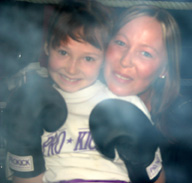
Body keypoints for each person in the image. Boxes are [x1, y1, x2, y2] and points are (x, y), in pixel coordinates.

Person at [7, 1, 163, 183]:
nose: (72, 69)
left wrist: (142, 161)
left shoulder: (125, 104)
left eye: (88, 58)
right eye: (63, 53)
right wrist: (22, 139)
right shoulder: (33, 104)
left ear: (104, 58)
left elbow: (157, 180)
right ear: (48, 47)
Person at [102, 4, 182, 183]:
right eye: (121, 43)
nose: (125, 61)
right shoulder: (73, 103)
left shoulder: (181, 128)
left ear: (164, 69)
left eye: (145, 53)